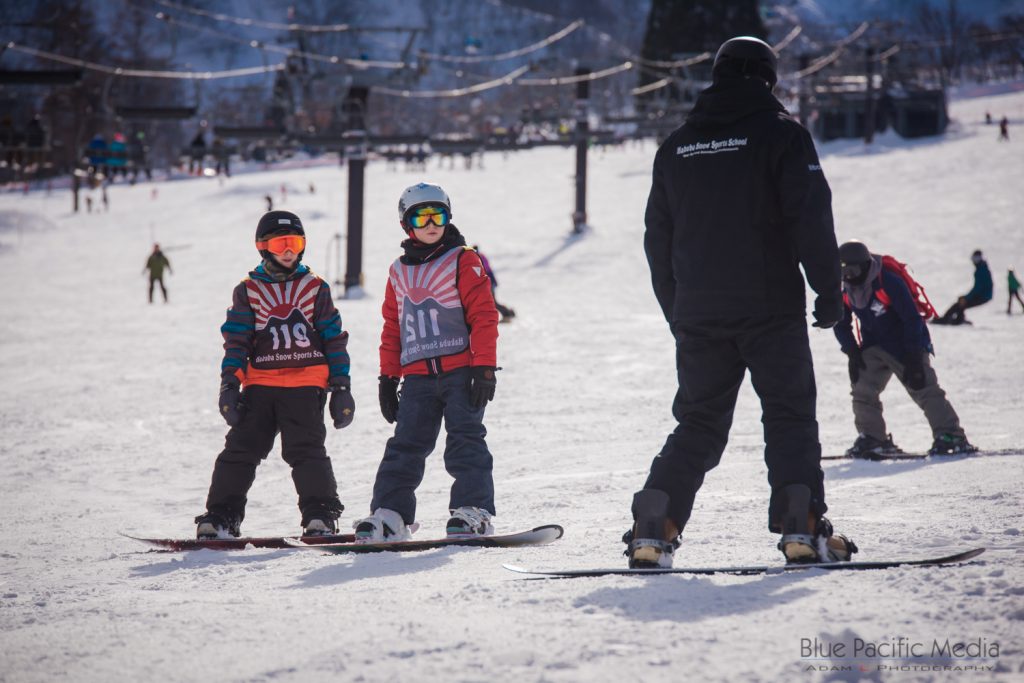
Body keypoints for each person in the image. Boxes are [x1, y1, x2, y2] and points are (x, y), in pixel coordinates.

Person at [626, 36, 856, 569]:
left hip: (699, 312)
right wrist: (828, 288)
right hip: (769, 307)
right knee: (789, 413)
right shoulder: (782, 137)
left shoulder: (677, 146)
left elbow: (656, 239)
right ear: (770, 79)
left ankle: (652, 525)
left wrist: (678, 309)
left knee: (699, 422)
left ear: (718, 74)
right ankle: (801, 526)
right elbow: (810, 216)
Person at [354, 183, 500, 542]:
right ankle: (391, 514)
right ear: (407, 224)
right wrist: (388, 378)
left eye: (440, 214)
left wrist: (483, 367)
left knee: (465, 440)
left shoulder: (463, 259)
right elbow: (393, 326)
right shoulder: (398, 271)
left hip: (461, 372)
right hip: (417, 376)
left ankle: (473, 510)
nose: (432, 223)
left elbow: (484, 315)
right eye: (422, 216)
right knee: (405, 445)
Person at [194, 211, 353, 539]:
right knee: (241, 449)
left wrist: (341, 385)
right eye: (281, 244)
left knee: (306, 450)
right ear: (263, 247)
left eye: (295, 243)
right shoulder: (249, 290)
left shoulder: (315, 287)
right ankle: (221, 516)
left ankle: (321, 514)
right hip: (261, 385)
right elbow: (237, 340)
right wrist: (229, 383)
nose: (288, 251)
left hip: (306, 383)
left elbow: (333, 336)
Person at [834, 240, 975, 458]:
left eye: (851, 270)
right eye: (843, 271)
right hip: (873, 346)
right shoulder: (845, 289)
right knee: (862, 390)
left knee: (923, 387)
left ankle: (950, 435)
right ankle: (873, 438)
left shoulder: (887, 281)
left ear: (864, 265)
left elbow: (912, 319)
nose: (848, 276)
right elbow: (840, 323)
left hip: (905, 344)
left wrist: (913, 357)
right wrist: (852, 353)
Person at [934, 250, 993, 325]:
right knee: (961, 303)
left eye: (975, 259)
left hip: (983, 296)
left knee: (960, 304)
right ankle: (958, 319)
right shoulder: (981, 268)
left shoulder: (982, 270)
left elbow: (978, 288)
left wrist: (966, 298)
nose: (973, 262)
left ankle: (950, 320)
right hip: (984, 295)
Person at [473, 245, 516, 322]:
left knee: (492, 302)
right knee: (491, 302)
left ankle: (507, 314)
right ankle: (509, 313)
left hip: (489, 283)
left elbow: (483, 271)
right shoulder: (481, 256)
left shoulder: (479, 258)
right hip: (490, 282)